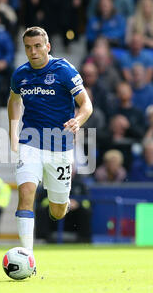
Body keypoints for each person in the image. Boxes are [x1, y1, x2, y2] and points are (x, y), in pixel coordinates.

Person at [7, 27, 93, 257]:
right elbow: (14, 101)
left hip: (60, 147)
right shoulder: (20, 74)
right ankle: (28, 257)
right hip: (30, 142)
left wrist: (78, 120)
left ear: (47, 46)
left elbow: (86, 104)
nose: (32, 52)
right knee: (25, 195)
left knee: (57, 211)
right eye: (27, 47)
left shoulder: (64, 70)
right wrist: (13, 132)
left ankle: (61, 203)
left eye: (37, 46)